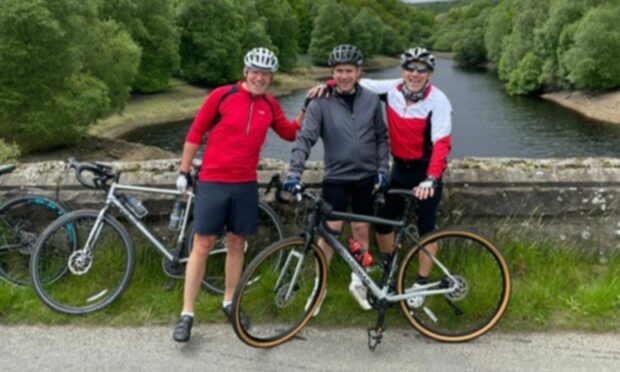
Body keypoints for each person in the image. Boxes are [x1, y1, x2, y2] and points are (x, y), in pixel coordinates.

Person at [172, 47, 305, 342]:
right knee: (203, 244)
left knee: (237, 243)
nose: (260, 78)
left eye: (266, 74)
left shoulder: (269, 104)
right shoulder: (222, 96)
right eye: (255, 72)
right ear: (245, 72)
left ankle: (230, 302)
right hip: (212, 181)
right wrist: (183, 172)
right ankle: (187, 313)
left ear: (271, 77)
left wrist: (308, 110)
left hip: (245, 184)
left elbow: (288, 132)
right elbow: (195, 133)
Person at [309, 46, 452, 309]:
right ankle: (388, 265)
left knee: (426, 230)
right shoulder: (392, 89)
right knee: (384, 224)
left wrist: (431, 178)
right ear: (403, 70)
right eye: (410, 68)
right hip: (399, 170)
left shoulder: (439, 100)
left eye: (422, 69)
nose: (415, 74)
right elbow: (354, 80)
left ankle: (421, 283)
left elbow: (442, 142)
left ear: (430, 73)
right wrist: (327, 85)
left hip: (424, 173)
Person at [283, 44, 389, 315]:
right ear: (333, 73)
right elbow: (305, 139)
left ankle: (359, 282)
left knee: (362, 230)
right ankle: (320, 288)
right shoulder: (321, 102)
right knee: (329, 234)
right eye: (339, 71)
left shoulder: (371, 100)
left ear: (358, 72)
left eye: (349, 71)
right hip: (337, 177)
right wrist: (294, 173)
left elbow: (381, 137)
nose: (344, 76)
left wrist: (382, 168)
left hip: (366, 177)